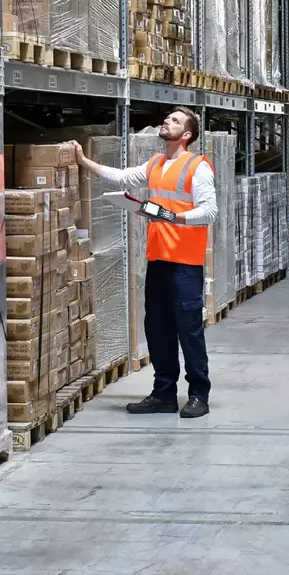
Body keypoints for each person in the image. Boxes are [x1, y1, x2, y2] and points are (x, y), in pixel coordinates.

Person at [67, 109, 217, 417]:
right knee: (157, 327)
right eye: (167, 118)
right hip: (158, 259)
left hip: (185, 263)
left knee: (188, 329)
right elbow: (122, 177)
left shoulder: (197, 167)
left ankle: (199, 394)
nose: (167, 121)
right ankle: (163, 392)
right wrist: (84, 162)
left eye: (175, 121)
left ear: (187, 135)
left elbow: (210, 211)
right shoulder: (156, 165)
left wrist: (176, 217)